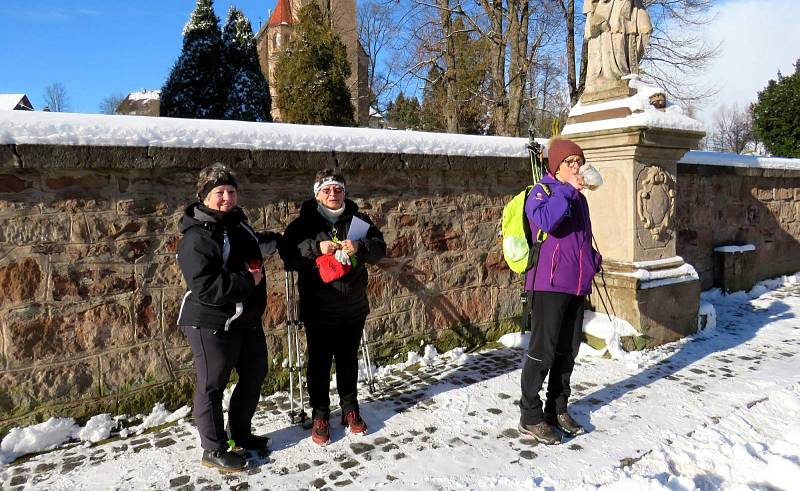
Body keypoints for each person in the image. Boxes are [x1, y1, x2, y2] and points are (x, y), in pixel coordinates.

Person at [176, 163, 280, 472]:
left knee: (255, 373)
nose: (226, 198)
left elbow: (255, 245)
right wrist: (250, 280)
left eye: (231, 191)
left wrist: (283, 241)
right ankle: (213, 449)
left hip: (244, 321)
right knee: (211, 386)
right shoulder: (195, 238)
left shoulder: (237, 223)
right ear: (204, 197)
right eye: (219, 193)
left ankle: (241, 434)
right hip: (210, 323)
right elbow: (207, 287)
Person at [279, 168, 386, 446]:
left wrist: (359, 246)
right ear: (317, 194)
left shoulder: (359, 220)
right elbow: (288, 255)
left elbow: (379, 249)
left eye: (337, 189)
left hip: (353, 305)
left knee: (349, 359)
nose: (333, 194)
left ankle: (350, 408)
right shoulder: (304, 224)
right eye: (326, 189)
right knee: (319, 362)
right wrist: (317, 247)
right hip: (319, 308)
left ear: (344, 193)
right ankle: (321, 413)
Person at [518, 138, 602, 445]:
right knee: (543, 352)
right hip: (548, 284)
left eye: (579, 161)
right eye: (570, 162)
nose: (577, 167)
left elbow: (582, 238)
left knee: (568, 352)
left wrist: (592, 261)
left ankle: (556, 408)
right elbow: (547, 221)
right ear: (556, 165)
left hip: (576, 284)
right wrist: (568, 188)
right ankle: (529, 416)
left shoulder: (579, 199)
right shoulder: (543, 192)